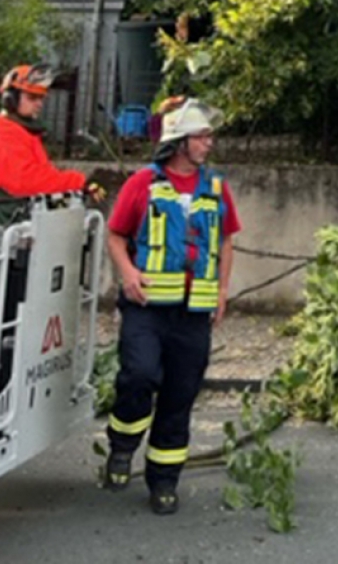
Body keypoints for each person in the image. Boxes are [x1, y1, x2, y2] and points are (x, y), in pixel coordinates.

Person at [102, 97, 241, 515]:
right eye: (202, 136)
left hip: (193, 314)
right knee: (139, 375)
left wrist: (221, 291)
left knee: (180, 396)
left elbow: (227, 240)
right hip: (146, 308)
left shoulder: (215, 188)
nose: (209, 143)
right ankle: (122, 446)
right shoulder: (143, 183)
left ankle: (164, 480)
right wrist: (128, 272)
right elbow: (114, 235)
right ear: (180, 142)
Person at [0, 63, 105, 404]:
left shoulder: (23, 135)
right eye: (33, 97)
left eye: (42, 97)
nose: (40, 103)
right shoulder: (0, 135)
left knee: (4, 329)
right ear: (10, 98)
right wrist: (76, 181)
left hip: (10, 246)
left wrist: (73, 186)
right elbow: (25, 182)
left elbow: (41, 175)